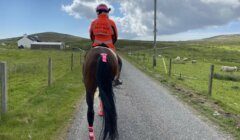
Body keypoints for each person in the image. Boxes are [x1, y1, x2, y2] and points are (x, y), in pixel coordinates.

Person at [89, 3, 122, 86]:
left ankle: (85, 76)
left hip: (96, 46)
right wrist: (111, 44)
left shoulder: (94, 22)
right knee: (119, 62)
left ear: (98, 12)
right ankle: (116, 79)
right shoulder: (111, 23)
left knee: (86, 58)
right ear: (107, 12)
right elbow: (115, 36)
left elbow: (91, 36)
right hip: (109, 47)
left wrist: (96, 42)